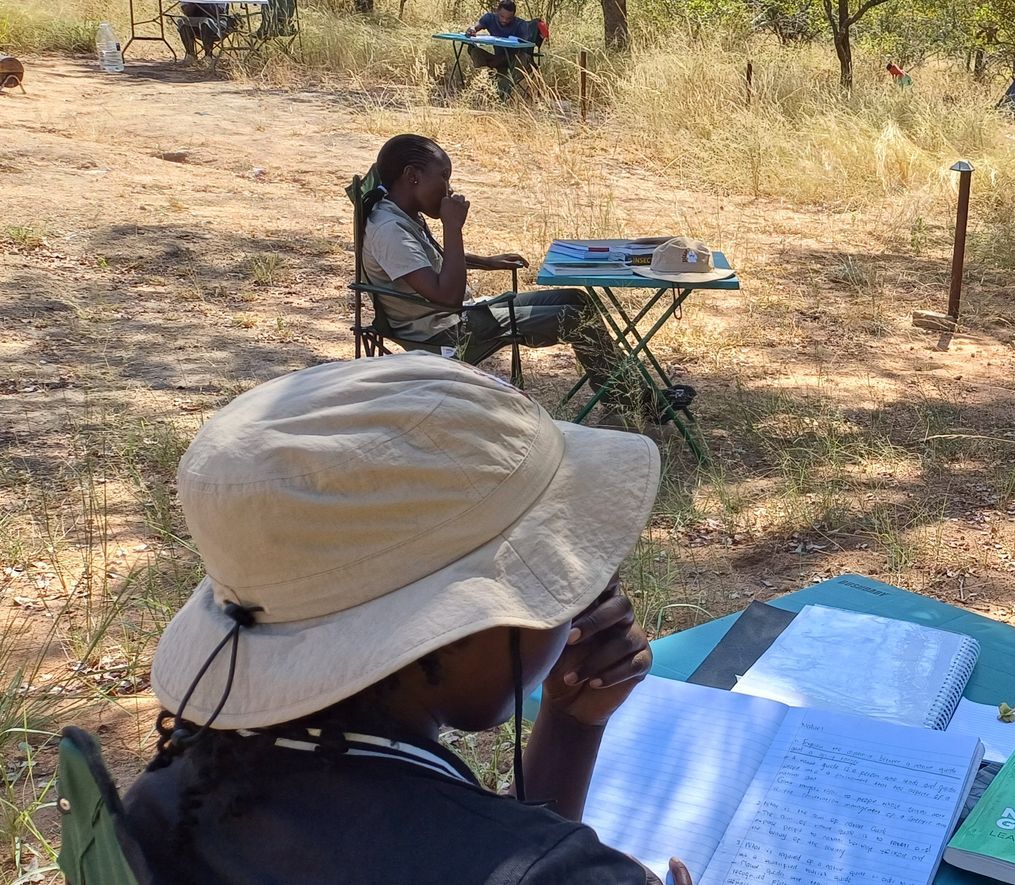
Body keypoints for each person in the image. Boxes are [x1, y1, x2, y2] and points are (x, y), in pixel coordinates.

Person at [120, 353, 694, 884]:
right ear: (466, 624)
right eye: (553, 585)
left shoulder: (167, 797)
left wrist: (572, 725)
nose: (579, 603)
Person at [361, 133, 642, 424]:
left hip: (455, 316)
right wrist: (452, 227)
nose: (449, 189)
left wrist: (487, 262)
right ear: (412, 176)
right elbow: (448, 297)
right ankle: (627, 405)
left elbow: (426, 261)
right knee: (573, 317)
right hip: (442, 332)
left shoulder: (403, 214)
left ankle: (631, 395)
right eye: (444, 177)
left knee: (575, 299)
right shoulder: (390, 229)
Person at [461, 0, 536, 75]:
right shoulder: (490, 18)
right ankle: (485, 76)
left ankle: (491, 76)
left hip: (513, 60)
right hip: (496, 57)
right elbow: (476, 27)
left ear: (513, 15)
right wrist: (472, 29)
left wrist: (500, 60)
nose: (504, 20)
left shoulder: (521, 25)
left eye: (509, 18)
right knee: (475, 51)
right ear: (497, 11)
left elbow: (524, 49)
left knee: (523, 57)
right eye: (502, 16)